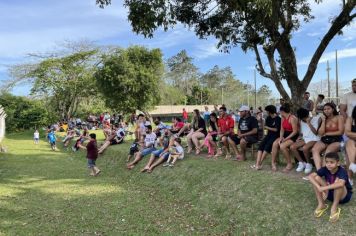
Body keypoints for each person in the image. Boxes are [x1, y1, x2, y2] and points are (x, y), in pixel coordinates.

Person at [308, 152, 352, 223]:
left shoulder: (342, 171)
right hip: (330, 193)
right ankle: (321, 204)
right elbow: (310, 176)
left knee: (338, 183)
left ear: (338, 163)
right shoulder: (325, 168)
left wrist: (323, 189)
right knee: (316, 178)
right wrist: (319, 187)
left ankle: (334, 207)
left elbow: (341, 184)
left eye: (331, 162)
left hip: (343, 197)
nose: (328, 164)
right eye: (327, 162)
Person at [312, 103, 344, 171]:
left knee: (327, 153)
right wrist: (323, 121)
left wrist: (327, 133)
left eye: (328, 109)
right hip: (325, 139)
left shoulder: (339, 117)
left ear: (333, 109)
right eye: (324, 109)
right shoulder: (322, 119)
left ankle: (324, 171)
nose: (326, 111)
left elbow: (341, 132)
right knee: (314, 150)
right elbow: (320, 133)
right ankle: (319, 171)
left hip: (336, 140)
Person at [290, 108, 321, 174]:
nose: (303, 120)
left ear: (307, 115)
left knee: (305, 148)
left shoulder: (317, 119)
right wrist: (299, 137)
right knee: (292, 147)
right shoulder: (301, 121)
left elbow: (316, 133)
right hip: (305, 139)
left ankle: (309, 164)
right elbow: (302, 133)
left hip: (314, 139)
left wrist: (309, 123)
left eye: (303, 118)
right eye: (301, 119)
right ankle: (301, 163)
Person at [271, 104, 299, 172]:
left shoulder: (292, 118)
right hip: (285, 135)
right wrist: (281, 138)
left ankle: (289, 163)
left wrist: (285, 139)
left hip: (293, 136)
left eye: (280, 111)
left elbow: (295, 132)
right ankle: (273, 163)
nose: (279, 113)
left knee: (282, 146)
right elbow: (282, 129)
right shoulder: (283, 118)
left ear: (282, 111)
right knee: (275, 143)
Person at [252, 105, 281, 170]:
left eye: (267, 111)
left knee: (267, 146)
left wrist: (267, 127)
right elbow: (265, 126)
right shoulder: (268, 118)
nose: (266, 112)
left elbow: (276, 130)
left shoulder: (278, 119)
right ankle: (257, 163)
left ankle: (259, 164)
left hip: (276, 136)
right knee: (261, 146)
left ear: (269, 111)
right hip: (269, 135)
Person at [345, 106, 356, 184]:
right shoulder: (350, 119)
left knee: (348, 152)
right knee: (349, 143)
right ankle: (352, 165)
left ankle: (350, 178)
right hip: (352, 141)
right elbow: (347, 133)